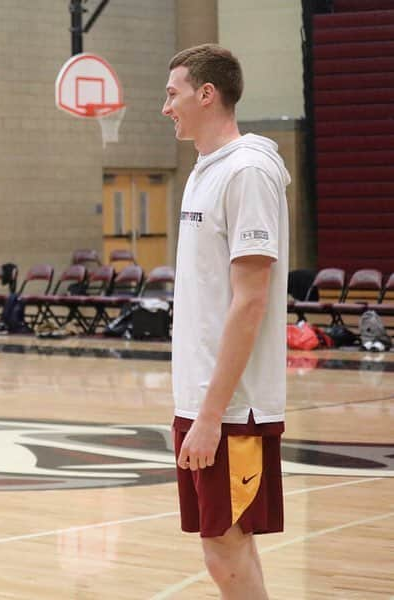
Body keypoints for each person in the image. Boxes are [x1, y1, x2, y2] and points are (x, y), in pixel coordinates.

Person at [162, 43, 290, 599]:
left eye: (173, 93)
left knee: (224, 549)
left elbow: (251, 301)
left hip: (233, 408)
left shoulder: (248, 173)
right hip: (202, 401)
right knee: (230, 546)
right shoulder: (203, 171)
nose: (165, 106)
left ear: (206, 94)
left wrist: (211, 416)